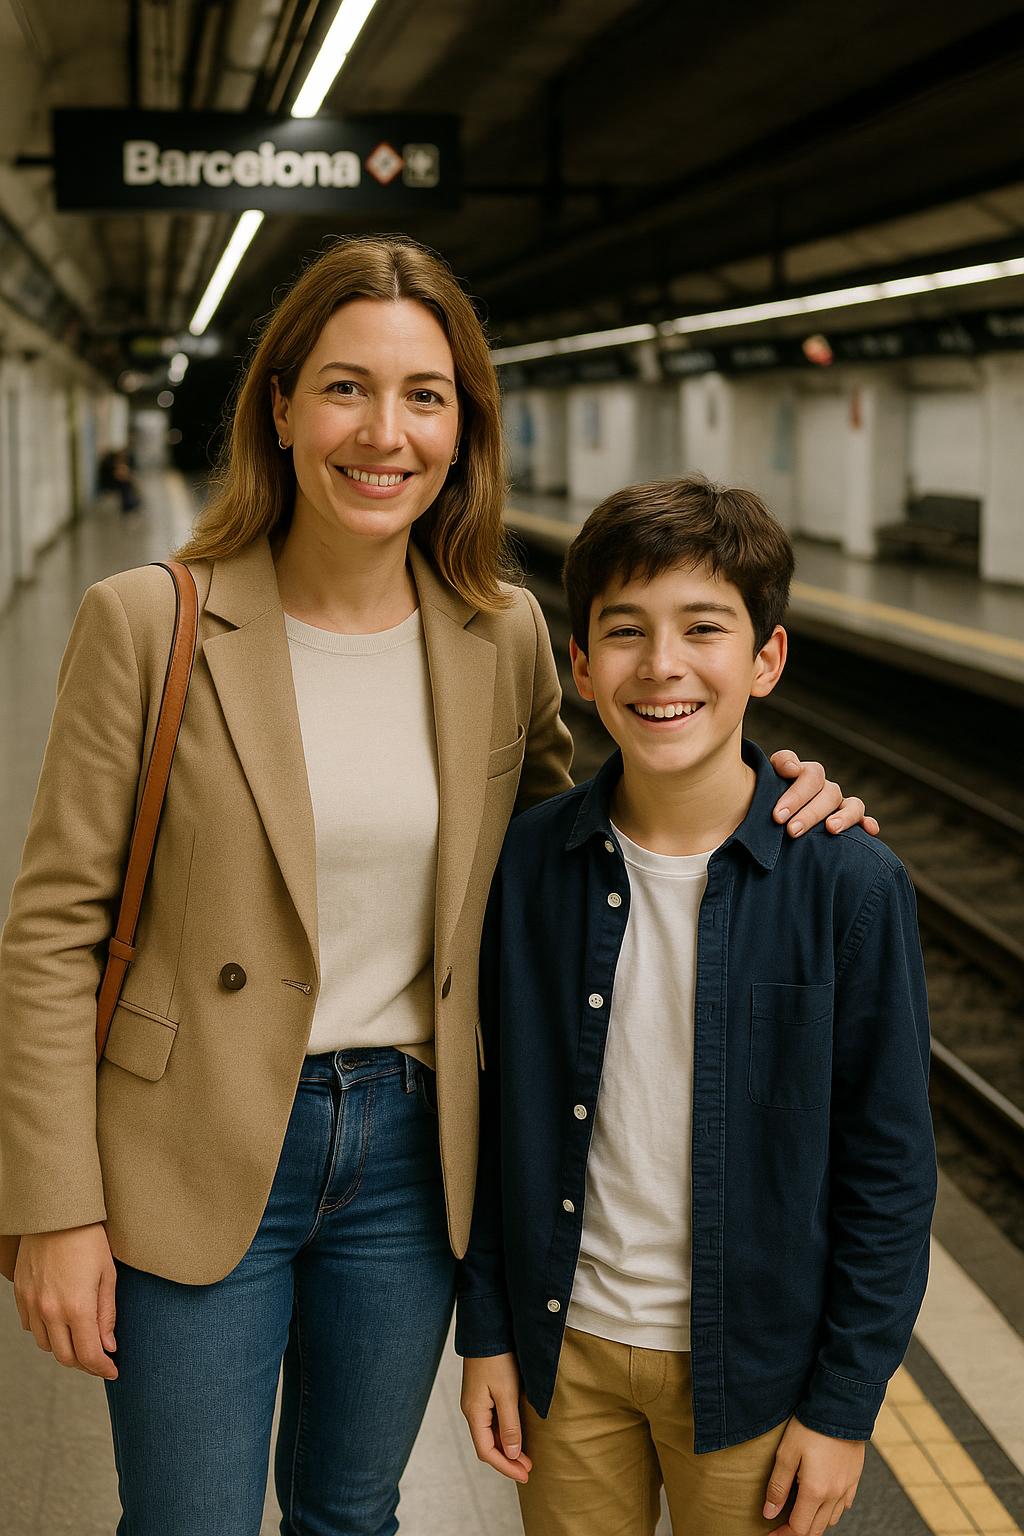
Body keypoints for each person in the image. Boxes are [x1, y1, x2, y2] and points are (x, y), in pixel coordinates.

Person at [0, 238, 873, 1536]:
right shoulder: (151, 619)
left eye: (425, 396)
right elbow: (50, 933)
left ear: (462, 430)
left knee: (352, 1514)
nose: (384, 433)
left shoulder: (502, 635)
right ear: (282, 406)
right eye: (347, 388)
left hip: (414, 1155)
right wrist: (54, 1206)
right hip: (190, 1137)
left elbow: (580, 847)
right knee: (186, 1522)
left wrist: (774, 793)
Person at [458, 477, 936, 1536]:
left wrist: (844, 1408)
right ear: (578, 666)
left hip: (756, 1373)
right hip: (563, 1353)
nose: (661, 664)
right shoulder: (530, 864)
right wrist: (486, 1327)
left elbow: (891, 1169)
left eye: (703, 628)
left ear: (764, 658)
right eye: (622, 632)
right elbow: (499, 1114)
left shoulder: (848, 886)